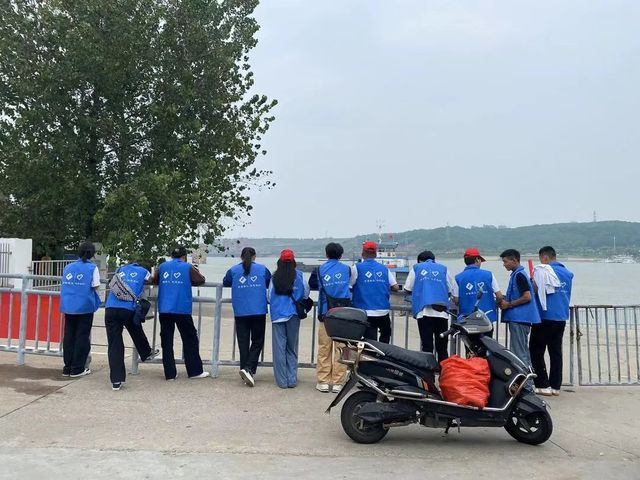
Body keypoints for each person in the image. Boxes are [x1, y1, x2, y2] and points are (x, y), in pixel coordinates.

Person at [153, 246, 210, 380]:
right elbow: (200, 279)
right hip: (181, 308)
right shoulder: (187, 267)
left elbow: (154, 280)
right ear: (184, 256)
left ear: (171, 256)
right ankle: (194, 371)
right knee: (190, 338)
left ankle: (170, 374)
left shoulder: (162, 266)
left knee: (166, 341)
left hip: (165, 308)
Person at [105, 261, 159, 391]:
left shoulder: (120, 269)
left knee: (114, 345)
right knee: (135, 328)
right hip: (128, 308)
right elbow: (152, 280)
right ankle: (146, 352)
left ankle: (116, 380)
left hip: (111, 308)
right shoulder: (143, 272)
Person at [223, 247, 271, 387]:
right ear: (254, 256)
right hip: (258, 310)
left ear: (241, 257)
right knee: (258, 341)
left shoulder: (233, 270)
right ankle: (248, 369)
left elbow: (226, 282)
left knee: (243, 342)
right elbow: (269, 282)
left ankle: (246, 369)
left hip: (240, 311)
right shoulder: (263, 269)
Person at [530, 246, 574, 396]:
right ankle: (555, 386)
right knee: (555, 352)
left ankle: (542, 384)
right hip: (561, 316)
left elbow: (536, 290)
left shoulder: (543, 270)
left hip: (545, 316)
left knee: (536, 350)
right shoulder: (567, 273)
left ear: (545, 257)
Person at [308, 242, 350, 393]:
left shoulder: (319, 270)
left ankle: (323, 381)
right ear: (341, 255)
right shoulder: (347, 269)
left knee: (324, 348)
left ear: (326, 254)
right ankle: (338, 382)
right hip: (343, 314)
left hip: (325, 314)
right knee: (342, 348)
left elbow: (312, 284)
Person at [403, 250, 458, 364]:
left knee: (427, 347)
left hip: (423, 313)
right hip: (442, 314)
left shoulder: (416, 268)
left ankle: (428, 373)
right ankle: (444, 372)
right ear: (434, 260)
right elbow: (453, 289)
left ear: (420, 261)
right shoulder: (444, 269)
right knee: (442, 347)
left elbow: (407, 288)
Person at [499, 249, 541, 385]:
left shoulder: (519, 275)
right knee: (522, 351)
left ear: (514, 260)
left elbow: (527, 297)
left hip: (520, 318)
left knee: (519, 353)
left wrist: (509, 304)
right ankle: (528, 383)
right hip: (520, 319)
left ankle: (526, 386)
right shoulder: (519, 274)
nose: (504, 264)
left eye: (506, 261)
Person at [60, 241, 101, 378]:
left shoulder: (68, 267)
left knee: (69, 336)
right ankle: (77, 368)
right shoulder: (92, 268)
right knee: (82, 337)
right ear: (92, 254)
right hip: (85, 306)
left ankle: (67, 367)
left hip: (68, 306)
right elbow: (96, 285)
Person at [269, 249, 309, 389]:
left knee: (279, 349)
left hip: (278, 315)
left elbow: (269, 296)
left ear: (280, 261)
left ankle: (282, 381)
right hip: (294, 314)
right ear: (293, 261)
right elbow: (306, 293)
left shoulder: (274, 277)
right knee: (292, 348)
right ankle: (292, 379)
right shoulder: (300, 276)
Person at [351, 241, 399, 344]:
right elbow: (395, 287)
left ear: (363, 253)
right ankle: (383, 352)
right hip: (383, 311)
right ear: (375, 254)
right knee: (385, 337)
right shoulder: (384, 269)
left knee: (369, 342)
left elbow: (349, 285)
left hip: (365, 311)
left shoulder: (357, 267)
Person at [455, 248, 503, 335]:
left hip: (467, 320)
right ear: (477, 259)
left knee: (470, 343)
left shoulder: (458, 277)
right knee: (487, 341)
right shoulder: (489, 274)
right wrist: (493, 304)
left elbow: (456, 300)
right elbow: (499, 296)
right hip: (486, 318)